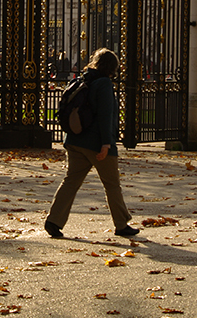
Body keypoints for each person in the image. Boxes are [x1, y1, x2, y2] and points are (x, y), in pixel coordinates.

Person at [44, 48, 139, 239]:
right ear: (113, 67)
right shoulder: (104, 84)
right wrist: (106, 144)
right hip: (96, 142)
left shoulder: (82, 79)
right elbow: (105, 116)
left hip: (75, 140)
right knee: (112, 184)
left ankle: (53, 221)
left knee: (71, 181)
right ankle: (121, 224)